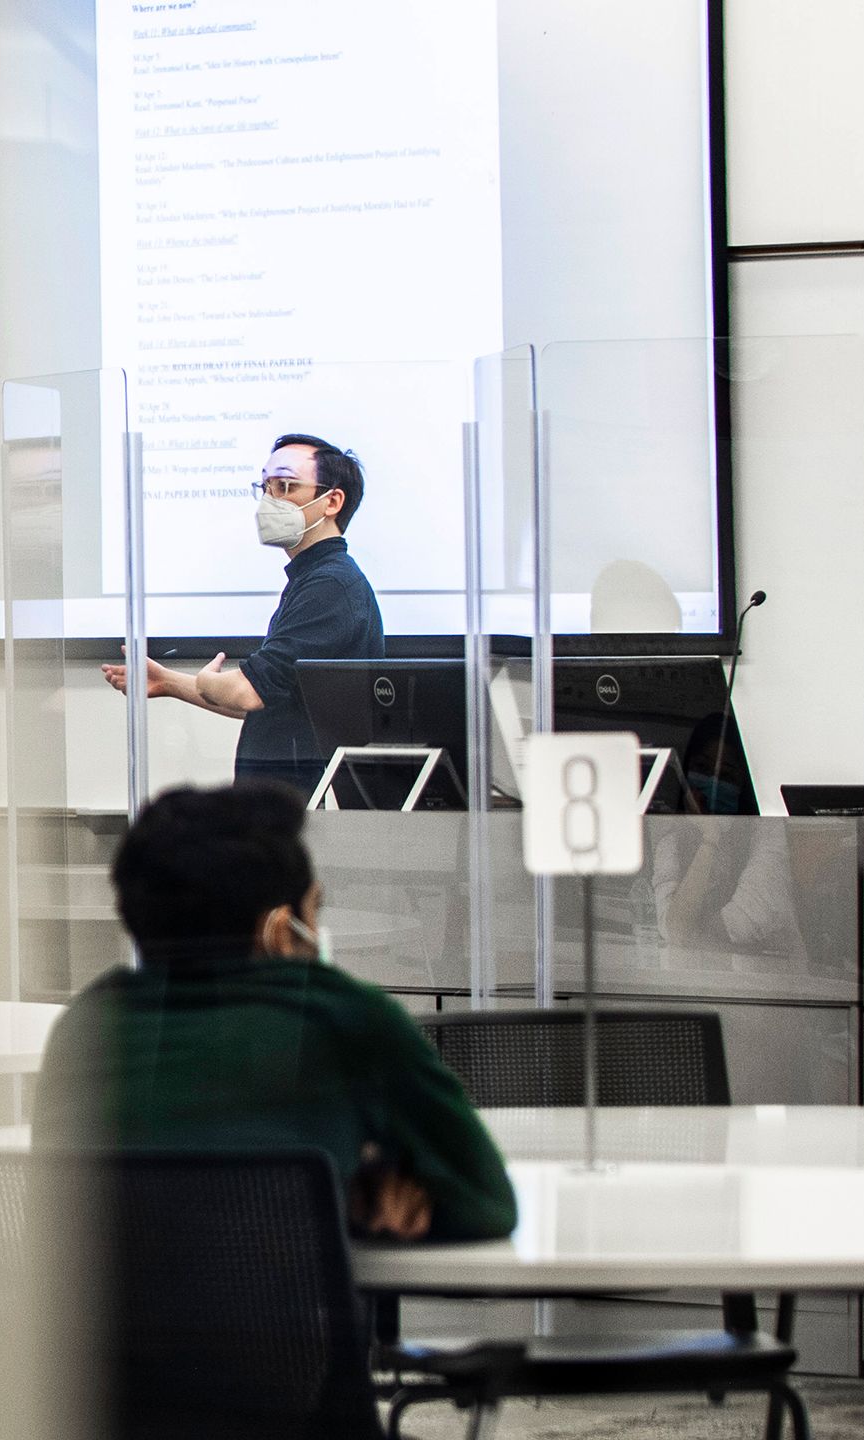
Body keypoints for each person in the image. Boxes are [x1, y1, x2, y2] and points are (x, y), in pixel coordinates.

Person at [33, 783, 516, 1240]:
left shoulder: (85, 1027)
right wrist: (354, 1193)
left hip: (113, 1332)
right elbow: (489, 1202)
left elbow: (56, 1221)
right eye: (315, 909)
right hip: (302, 1330)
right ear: (281, 931)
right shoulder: (346, 1020)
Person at [103, 434, 385, 797]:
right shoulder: (313, 579)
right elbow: (269, 700)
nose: (270, 501)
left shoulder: (330, 586)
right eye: (265, 487)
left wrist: (207, 682)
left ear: (332, 501)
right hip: (281, 808)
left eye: (285, 486)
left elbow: (247, 692)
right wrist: (169, 682)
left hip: (303, 812)